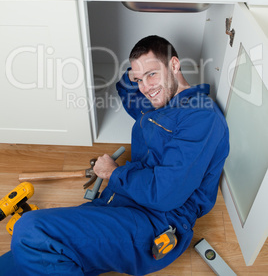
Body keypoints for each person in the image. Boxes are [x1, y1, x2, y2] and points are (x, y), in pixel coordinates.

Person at [0, 35, 229, 276]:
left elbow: (164, 194)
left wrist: (114, 172)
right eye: (139, 79)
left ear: (174, 65)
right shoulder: (157, 105)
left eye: (152, 74)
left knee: (30, 231)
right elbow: (124, 87)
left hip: (155, 222)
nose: (145, 87)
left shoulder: (201, 116)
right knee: (14, 262)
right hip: (116, 205)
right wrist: (137, 75)